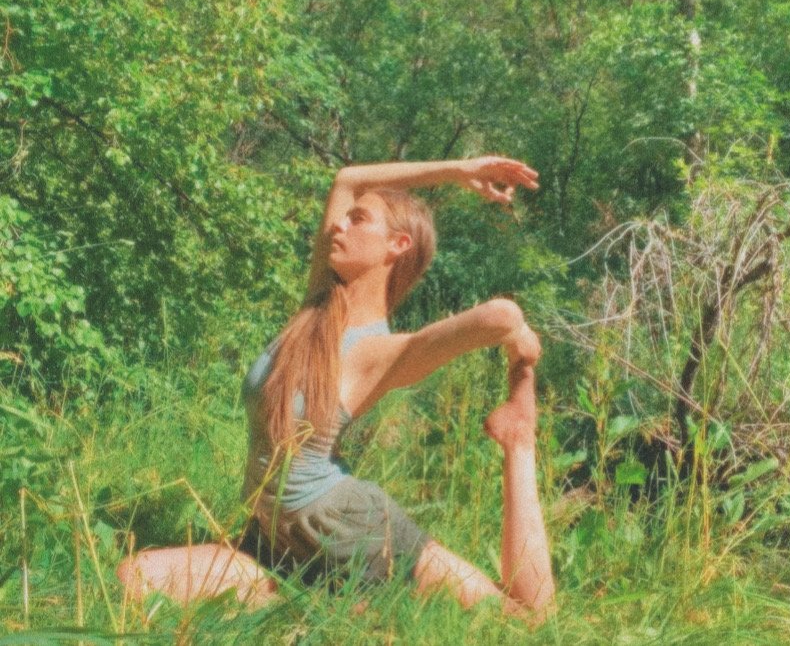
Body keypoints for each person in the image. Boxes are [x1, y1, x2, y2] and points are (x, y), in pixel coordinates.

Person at [117, 156, 554, 620]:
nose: (338, 226)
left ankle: (517, 438)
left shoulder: (376, 353)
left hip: (346, 527)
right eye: (345, 216)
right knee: (134, 578)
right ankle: (320, 604)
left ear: (397, 245)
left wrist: (521, 341)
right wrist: (461, 170)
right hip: (272, 540)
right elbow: (349, 178)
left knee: (524, 616)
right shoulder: (317, 308)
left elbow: (501, 315)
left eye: (358, 219)